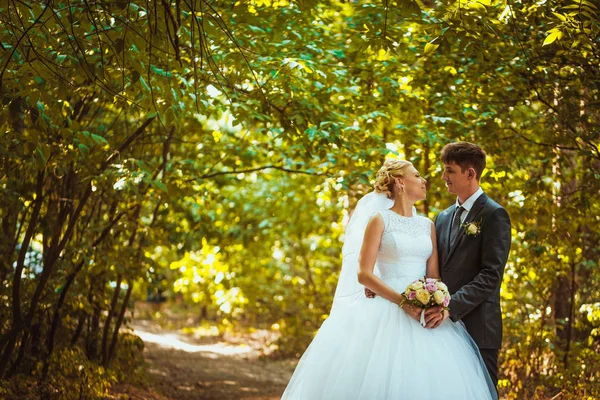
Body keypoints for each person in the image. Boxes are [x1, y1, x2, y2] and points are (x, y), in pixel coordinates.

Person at [282, 159, 497, 400]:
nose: (424, 180)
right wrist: (403, 302)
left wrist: (435, 299)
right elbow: (363, 273)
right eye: (416, 175)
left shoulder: (428, 225)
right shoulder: (379, 220)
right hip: (385, 307)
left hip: (423, 311)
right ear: (400, 182)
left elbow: (434, 276)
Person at [424, 142, 511, 388]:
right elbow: (431, 267)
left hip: (478, 327)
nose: (443, 177)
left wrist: (450, 307)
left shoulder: (495, 215)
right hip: (441, 329)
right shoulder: (441, 218)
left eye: (450, 170)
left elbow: (491, 275)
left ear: (470, 173)